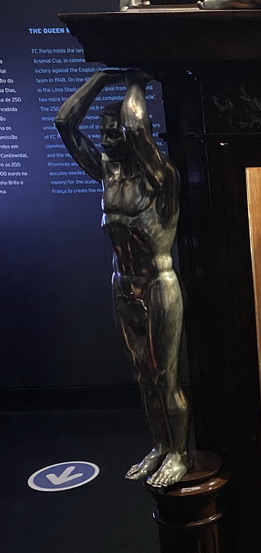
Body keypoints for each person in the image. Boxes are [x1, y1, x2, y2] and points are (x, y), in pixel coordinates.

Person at [55, 70, 192, 489]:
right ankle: (159, 446)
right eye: (104, 131)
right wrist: (100, 77)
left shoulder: (161, 179)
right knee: (141, 376)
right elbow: (64, 122)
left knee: (164, 377)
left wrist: (135, 79)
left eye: (115, 132)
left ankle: (180, 454)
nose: (111, 139)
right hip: (122, 283)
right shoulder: (107, 173)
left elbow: (135, 124)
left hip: (157, 284)